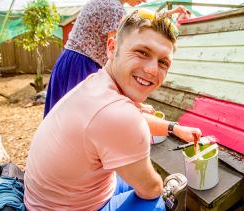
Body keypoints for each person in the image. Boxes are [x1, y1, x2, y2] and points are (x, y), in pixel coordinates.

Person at [24, 10, 201, 210]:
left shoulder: (98, 83)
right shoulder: (119, 116)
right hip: (73, 207)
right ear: (112, 47)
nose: (152, 70)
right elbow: (150, 188)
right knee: (157, 200)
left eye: (163, 62)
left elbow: (128, 118)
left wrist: (174, 128)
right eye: (142, 52)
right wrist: (160, 187)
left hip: (46, 200)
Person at [44, 0, 190, 117]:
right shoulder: (114, 9)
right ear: (111, 46)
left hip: (69, 61)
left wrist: (170, 13)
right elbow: (121, 54)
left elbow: (142, 19)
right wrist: (134, 106)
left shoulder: (109, 3)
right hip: (82, 67)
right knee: (82, 119)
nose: (144, 0)